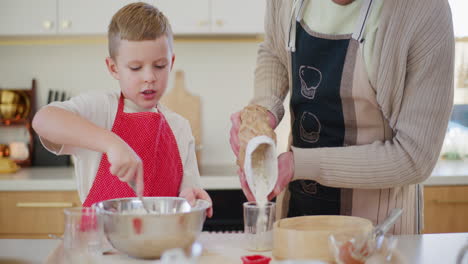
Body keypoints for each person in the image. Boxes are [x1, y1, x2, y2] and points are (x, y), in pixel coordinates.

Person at [230, 0, 454, 234]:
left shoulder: (425, 11)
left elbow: (414, 158)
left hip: (378, 234)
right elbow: (275, 50)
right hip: (298, 219)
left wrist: (298, 165)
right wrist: (264, 110)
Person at [33, 2, 212, 217]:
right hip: (100, 245)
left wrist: (193, 199)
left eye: (160, 65)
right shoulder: (100, 109)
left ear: (171, 62)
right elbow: (43, 120)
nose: (149, 77)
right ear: (113, 68)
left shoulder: (180, 128)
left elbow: (187, 195)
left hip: (161, 246)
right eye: (136, 68)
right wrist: (111, 143)